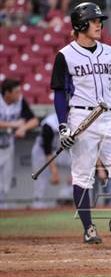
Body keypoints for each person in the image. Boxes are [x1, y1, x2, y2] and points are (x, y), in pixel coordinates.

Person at [50, 2, 111, 243]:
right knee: (83, 176)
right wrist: (63, 125)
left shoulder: (109, 52)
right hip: (81, 117)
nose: (99, 24)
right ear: (80, 24)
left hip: (110, 116)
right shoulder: (65, 55)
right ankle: (88, 228)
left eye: (100, 20)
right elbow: (60, 94)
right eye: (94, 20)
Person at [0, 78, 39, 207]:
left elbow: (34, 120)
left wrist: (23, 127)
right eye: (16, 92)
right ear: (7, 93)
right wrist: (14, 124)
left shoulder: (20, 101)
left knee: (5, 184)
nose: (19, 94)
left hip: (7, 147)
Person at [31, 113, 71, 208]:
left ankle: (65, 196)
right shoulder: (49, 123)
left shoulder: (73, 120)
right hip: (41, 152)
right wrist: (54, 172)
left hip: (58, 150)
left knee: (77, 163)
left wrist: (73, 173)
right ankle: (37, 205)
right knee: (40, 181)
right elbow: (47, 150)